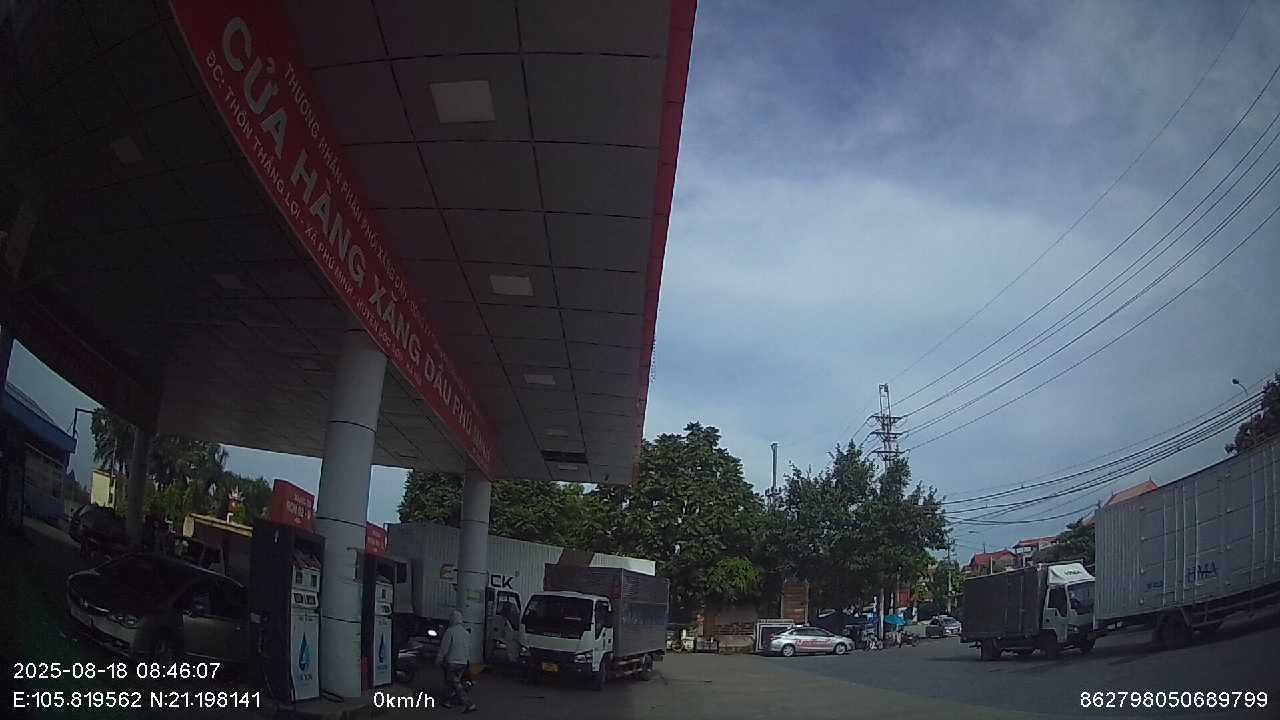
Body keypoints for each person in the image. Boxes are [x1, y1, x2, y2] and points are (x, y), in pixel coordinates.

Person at [436, 610, 477, 713]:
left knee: (455, 683)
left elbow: (444, 647)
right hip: (462, 663)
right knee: (452, 682)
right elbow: (468, 648)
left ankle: (469, 704)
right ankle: (447, 701)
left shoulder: (450, 631)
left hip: (452, 662)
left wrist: (439, 658)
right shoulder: (466, 633)